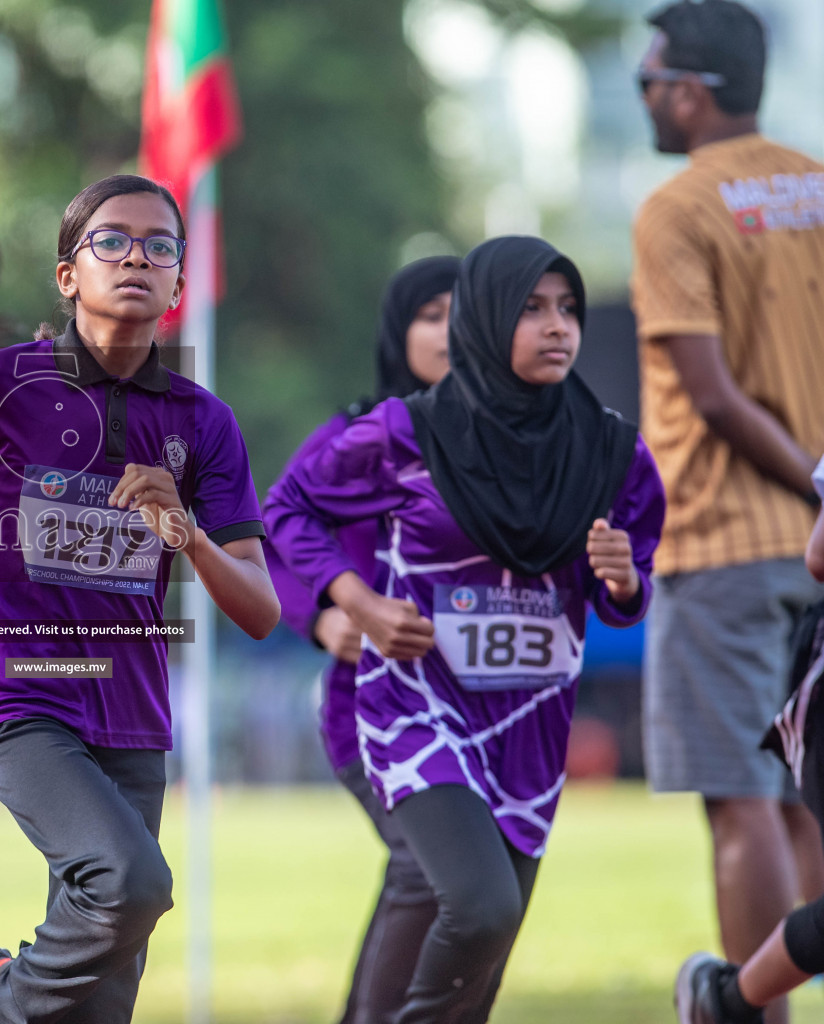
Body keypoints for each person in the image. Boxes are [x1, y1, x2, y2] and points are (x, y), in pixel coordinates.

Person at [0, 174, 280, 1024]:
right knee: (133, 882)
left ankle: (11, 1004)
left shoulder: (205, 421)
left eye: (160, 247)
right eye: (110, 241)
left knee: (106, 994)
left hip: (135, 716)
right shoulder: (6, 382)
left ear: (180, 285)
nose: (136, 259)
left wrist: (183, 530)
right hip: (23, 697)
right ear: (67, 275)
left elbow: (260, 607)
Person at [265, 236, 665, 1023]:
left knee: (487, 945)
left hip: (529, 722)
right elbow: (286, 508)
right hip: (414, 708)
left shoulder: (614, 450)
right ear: (491, 320)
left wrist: (622, 578)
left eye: (569, 309)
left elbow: (626, 588)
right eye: (532, 309)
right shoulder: (401, 432)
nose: (559, 328)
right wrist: (355, 605)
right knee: (475, 904)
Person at [631, 5, 824, 1015]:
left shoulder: (680, 207)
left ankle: (747, 1009)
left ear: (693, 90)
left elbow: (709, 393)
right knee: (809, 800)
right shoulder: (818, 186)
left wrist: (814, 478)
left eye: (649, 81)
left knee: (742, 802)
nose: (649, 98)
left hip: (722, 544)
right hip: (819, 553)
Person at [265, 255, 457, 1024]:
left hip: (484, 711)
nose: (453, 332)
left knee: (459, 885)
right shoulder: (354, 437)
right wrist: (322, 614)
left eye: (469, 313)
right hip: (370, 709)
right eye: (433, 314)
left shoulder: (515, 442)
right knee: (425, 867)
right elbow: (268, 541)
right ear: (397, 330)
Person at [676, 456, 824, 1024]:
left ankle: (730, 1000)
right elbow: (819, 555)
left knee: (752, 801)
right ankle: (732, 1000)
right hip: (723, 541)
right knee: (748, 799)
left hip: (729, 542)